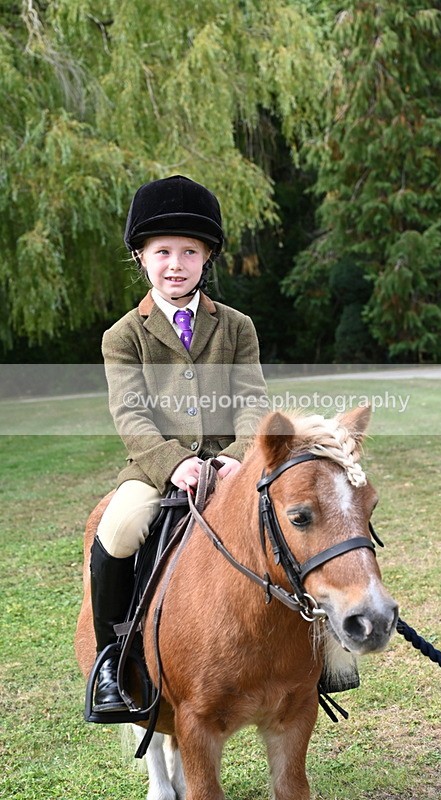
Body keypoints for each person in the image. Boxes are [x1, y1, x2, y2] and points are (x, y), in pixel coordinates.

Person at [90, 175, 268, 713]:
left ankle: (319, 655)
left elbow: (255, 404)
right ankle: (111, 660)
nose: (175, 263)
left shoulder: (236, 327)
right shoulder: (124, 336)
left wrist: (237, 460)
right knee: (117, 531)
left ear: (206, 258)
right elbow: (131, 414)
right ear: (141, 258)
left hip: (231, 467)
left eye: (189, 252)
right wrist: (175, 465)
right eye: (162, 251)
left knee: (295, 519)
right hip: (156, 472)